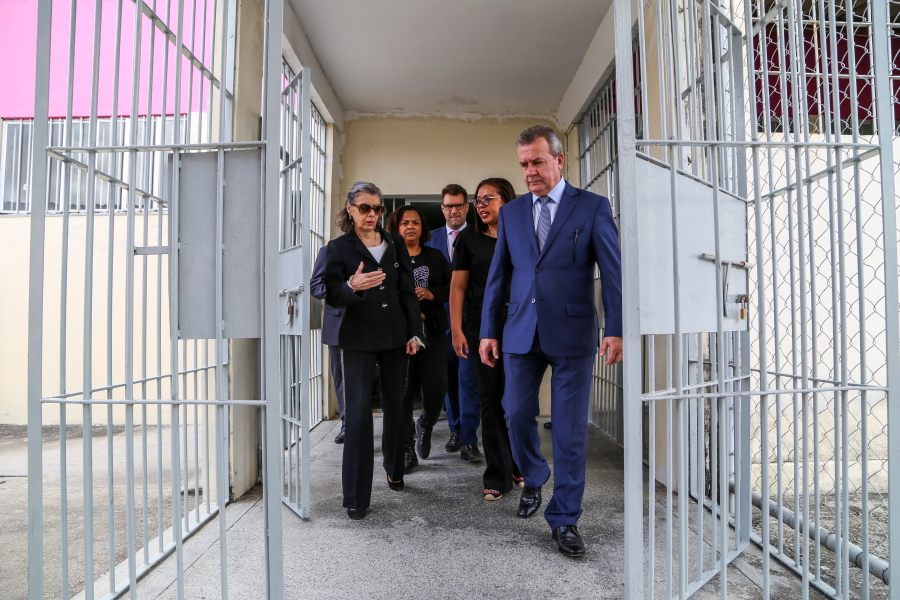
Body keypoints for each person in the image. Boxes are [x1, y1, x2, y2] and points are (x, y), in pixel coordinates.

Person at [479, 126, 623, 556]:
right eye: (524, 164)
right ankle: (535, 475)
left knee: (569, 430)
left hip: (573, 332)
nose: (530, 171)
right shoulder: (512, 213)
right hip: (520, 329)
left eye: (537, 162)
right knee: (515, 413)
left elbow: (611, 273)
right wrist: (488, 330)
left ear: (559, 160)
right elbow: (498, 276)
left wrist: (615, 328)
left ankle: (564, 518)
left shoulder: (592, 206)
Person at [324, 181, 423, 520]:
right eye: (364, 208)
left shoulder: (394, 242)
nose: (371, 214)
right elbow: (324, 290)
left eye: (377, 208)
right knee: (358, 417)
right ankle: (356, 497)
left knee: (397, 408)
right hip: (356, 339)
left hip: (395, 337)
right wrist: (351, 285)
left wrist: (415, 333)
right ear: (350, 208)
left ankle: (395, 470)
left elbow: (407, 291)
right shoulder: (338, 248)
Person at [450, 177, 523, 501]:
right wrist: (457, 329)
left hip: (520, 322)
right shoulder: (468, 238)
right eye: (477, 200)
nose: (480, 205)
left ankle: (518, 463)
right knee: (491, 399)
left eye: (488, 199)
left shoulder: (524, 233)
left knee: (518, 401)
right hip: (481, 324)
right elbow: (458, 287)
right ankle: (497, 474)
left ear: (506, 200)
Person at [386, 205, 451, 473]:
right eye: (404, 223)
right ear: (395, 228)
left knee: (437, 388)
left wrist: (432, 294)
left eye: (415, 222)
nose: (410, 226)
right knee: (401, 392)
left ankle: (425, 423)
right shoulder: (388, 258)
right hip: (399, 336)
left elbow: (453, 287)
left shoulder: (435, 256)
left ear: (422, 228)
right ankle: (406, 447)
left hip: (431, 332)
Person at [424, 184, 483, 461]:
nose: (454, 210)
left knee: (468, 380)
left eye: (459, 205)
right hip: (441, 323)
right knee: (448, 381)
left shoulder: (480, 235)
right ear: (442, 209)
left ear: (467, 207)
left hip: (472, 321)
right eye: (449, 206)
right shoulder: (430, 240)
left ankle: (469, 439)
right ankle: (455, 430)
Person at [310, 246, 346, 443]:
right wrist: (345, 290)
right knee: (341, 377)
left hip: (373, 321)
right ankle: (347, 424)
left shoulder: (378, 249)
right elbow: (316, 287)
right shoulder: (330, 250)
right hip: (339, 322)